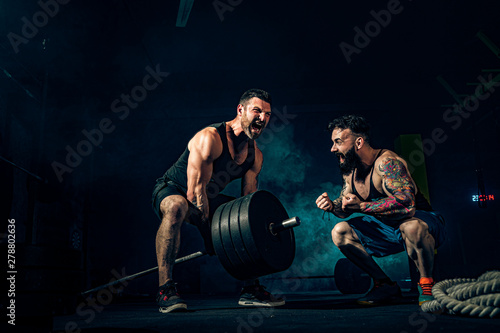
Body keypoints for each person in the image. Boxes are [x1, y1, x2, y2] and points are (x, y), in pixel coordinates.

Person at [151, 89, 284, 313]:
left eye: (268, 114)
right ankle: (165, 289)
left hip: (208, 197)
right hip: (174, 189)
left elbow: (248, 204)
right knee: (177, 206)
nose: (262, 118)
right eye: (257, 111)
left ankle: (251, 289)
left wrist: (240, 231)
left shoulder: (255, 156)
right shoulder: (210, 138)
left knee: (246, 222)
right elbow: (194, 194)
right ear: (240, 110)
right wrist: (210, 235)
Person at [316, 115, 446, 306]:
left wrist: (361, 206)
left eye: (338, 142)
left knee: (410, 227)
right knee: (340, 232)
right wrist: (332, 205)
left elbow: (407, 205)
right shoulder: (350, 170)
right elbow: (345, 207)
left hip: (422, 222)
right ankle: (384, 284)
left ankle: (426, 283)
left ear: (358, 142)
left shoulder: (387, 163)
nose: (333, 149)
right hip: (387, 228)